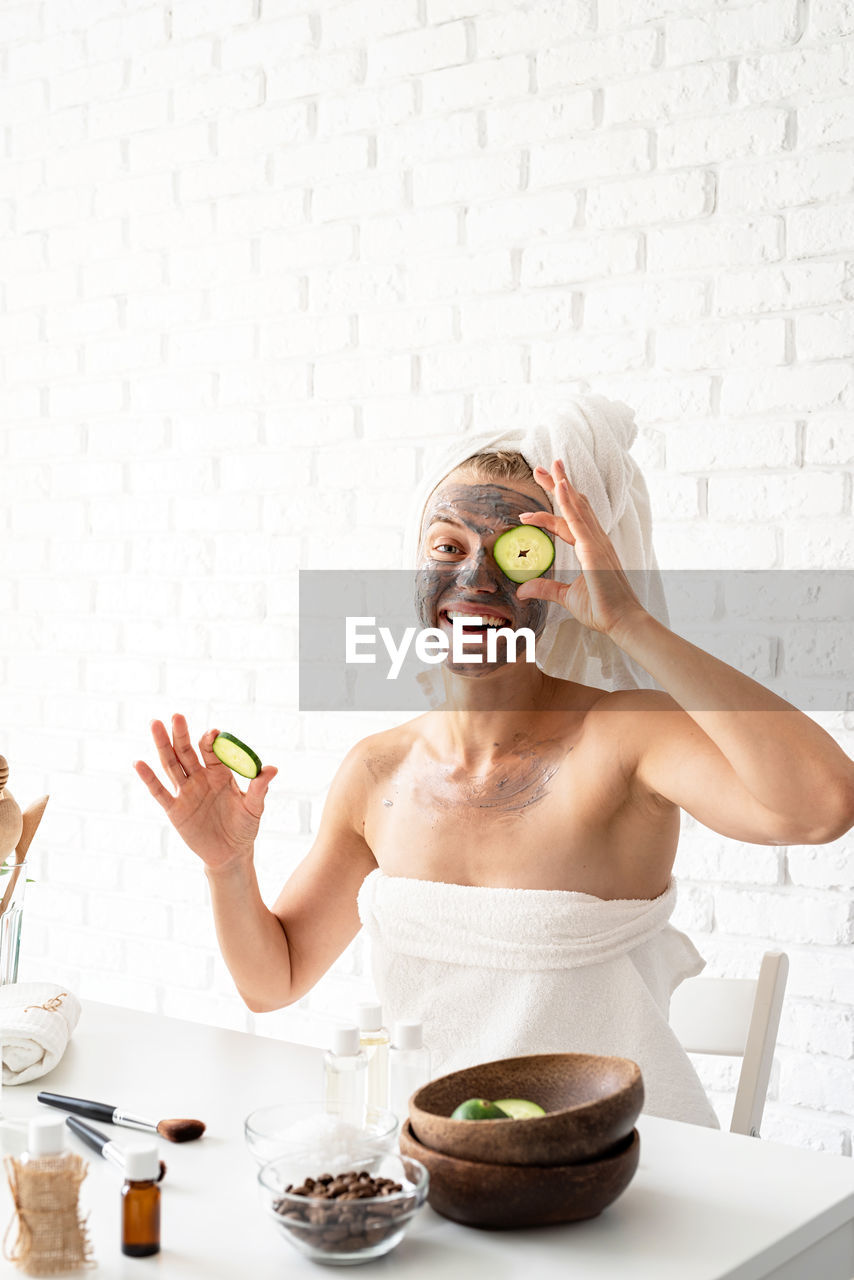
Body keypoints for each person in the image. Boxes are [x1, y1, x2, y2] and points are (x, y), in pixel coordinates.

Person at [135, 439, 854, 1127]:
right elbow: (274, 980)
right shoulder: (376, 771)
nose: (476, 579)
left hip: (621, 1168)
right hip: (445, 1164)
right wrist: (227, 867)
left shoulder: (625, 739)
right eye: (447, 546)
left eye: (515, 552)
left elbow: (822, 806)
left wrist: (629, 621)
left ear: (561, 579)